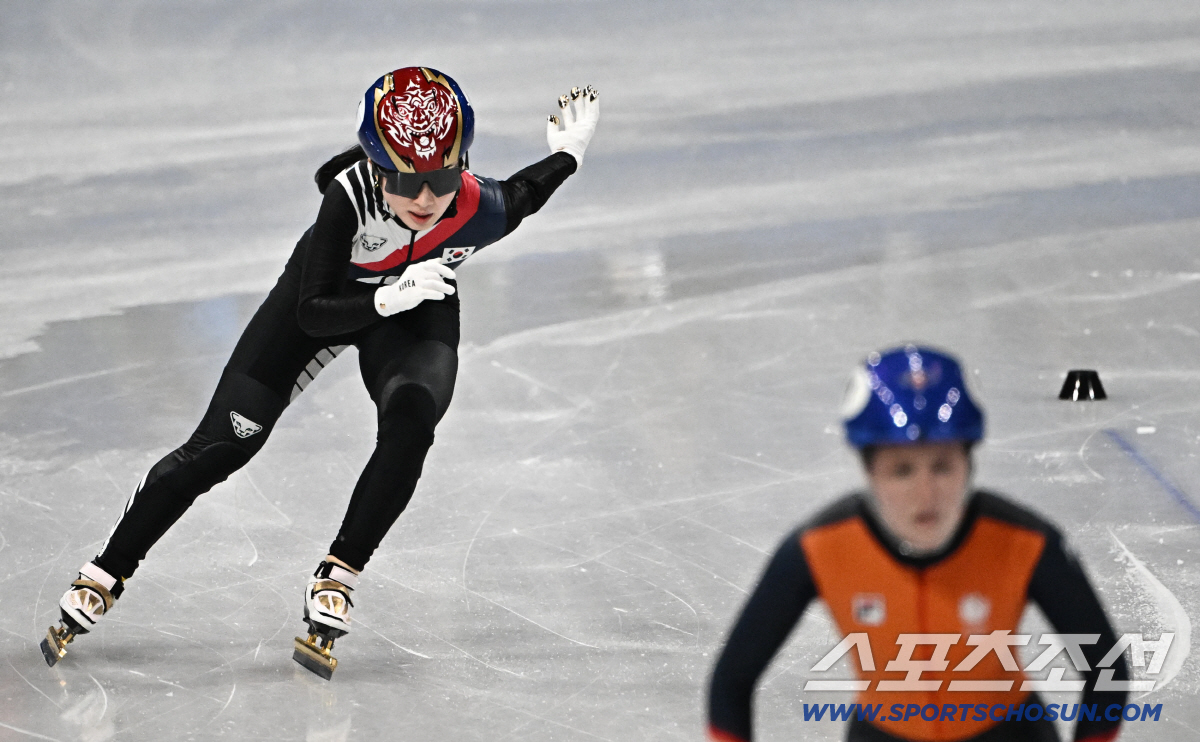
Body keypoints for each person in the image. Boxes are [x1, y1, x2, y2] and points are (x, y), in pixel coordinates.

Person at [40, 67, 600, 679]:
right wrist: (387, 297)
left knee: (412, 423)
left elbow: (523, 194)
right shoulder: (348, 198)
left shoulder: (474, 205)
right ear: (375, 168)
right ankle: (108, 569)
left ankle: (340, 574)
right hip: (326, 304)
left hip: (416, 310)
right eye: (404, 180)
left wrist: (567, 155)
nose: (425, 199)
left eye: (440, 178)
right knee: (224, 446)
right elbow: (309, 312)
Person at [707, 345, 1130, 742]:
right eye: (902, 471)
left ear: (969, 463)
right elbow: (731, 682)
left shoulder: (1025, 543)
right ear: (869, 473)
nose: (926, 495)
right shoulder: (820, 548)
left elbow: (1107, 671)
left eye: (943, 467)